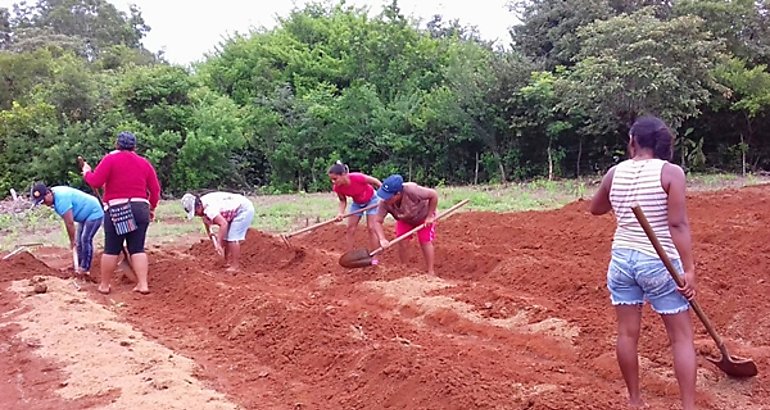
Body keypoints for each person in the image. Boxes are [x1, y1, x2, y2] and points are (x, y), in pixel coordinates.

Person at [589, 116, 697, 410]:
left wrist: (620, 194)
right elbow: (677, 225)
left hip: (622, 260)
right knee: (681, 337)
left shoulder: (615, 173)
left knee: (626, 333)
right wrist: (688, 270)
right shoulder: (671, 173)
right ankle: (688, 407)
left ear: (634, 141)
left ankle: (635, 401)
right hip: (658, 262)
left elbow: (595, 208)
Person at [81, 131, 161, 295]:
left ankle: (104, 285)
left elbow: (96, 181)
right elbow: (155, 190)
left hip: (118, 209)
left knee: (112, 248)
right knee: (137, 248)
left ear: (117, 144)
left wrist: (86, 173)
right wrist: (151, 208)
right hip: (140, 208)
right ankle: (143, 284)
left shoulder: (110, 159)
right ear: (135, 147)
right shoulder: (144, 163)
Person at [31, 183, 103, 280]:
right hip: (84, 216)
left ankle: (85, 268)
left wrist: (72, 240)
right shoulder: (55, 196)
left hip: (94, 212)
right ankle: (79, 265)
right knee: (79, 241)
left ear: (48, 193)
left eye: (43, 201)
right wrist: (74, 241)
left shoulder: (62, 200)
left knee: (85, 239)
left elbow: (69, 222)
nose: (44, 204)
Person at [373, 174, 439, 275]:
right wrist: (382, 238)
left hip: (423, 216)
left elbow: (433, 195)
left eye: (389, 197)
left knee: (425, 240)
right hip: (404, 219)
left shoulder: (412, 190)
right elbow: (377, 221)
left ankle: (431, 271)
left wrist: (430, 216)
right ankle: (404, 269)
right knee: (402, 242)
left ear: (398, 194)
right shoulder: (384, 203)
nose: (385, 199)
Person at [180, 191, 255, 273]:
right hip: (235, 208)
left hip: (243, 209)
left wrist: (218, 243)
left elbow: (223, 224)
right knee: (226, 236)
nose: (197, 215)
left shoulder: (210, 209)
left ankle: (235, 266)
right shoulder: (203, 203)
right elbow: (205, 219)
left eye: (196, 212)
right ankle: (225, 261)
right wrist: (209, 232)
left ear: (198, 206)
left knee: (232, 237)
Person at [327, 161, 382, 252]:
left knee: (371, 228)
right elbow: (342, 200)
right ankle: (350, 254)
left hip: (372, 201)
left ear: (343, 175)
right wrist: (340, 213)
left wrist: (383, 196)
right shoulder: (337, 188)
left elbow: (376, 182)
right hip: (357, 203)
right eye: (331, 180)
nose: (333, 182)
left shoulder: (357, 177)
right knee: (350, 228)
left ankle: (375, 255)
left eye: (335, 179)